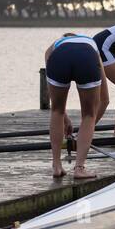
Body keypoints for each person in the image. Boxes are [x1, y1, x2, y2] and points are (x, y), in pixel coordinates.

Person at [43, 32, 104, 179]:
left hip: (59, 58)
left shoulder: (56, 45)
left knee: (56, 111)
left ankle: (57, 166)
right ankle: (79, 168)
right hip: (86, 57)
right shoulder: (90, 43)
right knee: (89, 115)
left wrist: (65, 117)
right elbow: (104, 97)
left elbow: (54, 99)